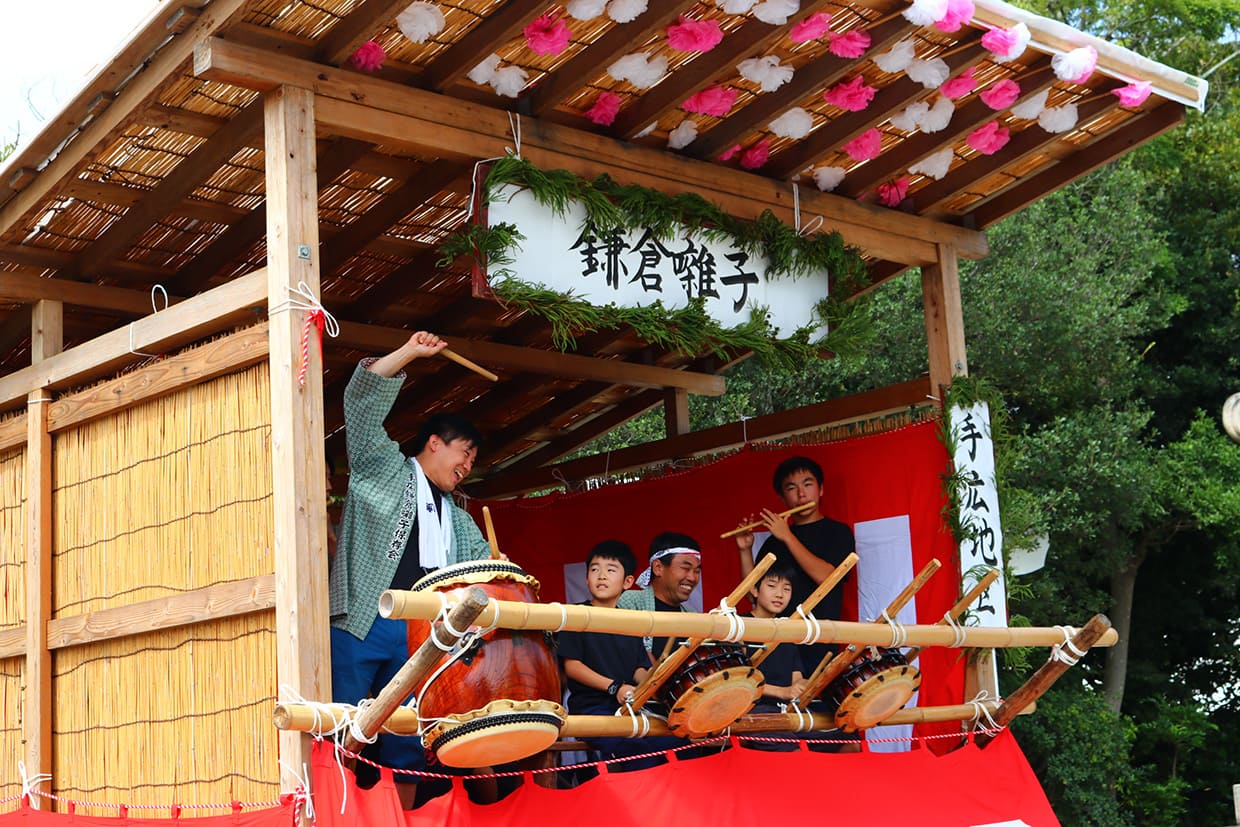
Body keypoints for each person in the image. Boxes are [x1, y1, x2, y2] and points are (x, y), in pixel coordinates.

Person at [328, 330, 492, 808]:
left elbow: (486, 570)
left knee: (404, 740)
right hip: (360, 621)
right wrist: (409, 354)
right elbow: (358, 405)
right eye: (465, 453)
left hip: (419, 636)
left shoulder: (458, 520)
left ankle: (397, 817)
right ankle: (340, 814)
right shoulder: (383, 468)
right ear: (435, 443)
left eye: (474, 461)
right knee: (342, 727)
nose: (468, 465)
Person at [558, 540, 684, 767]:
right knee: (634, 751)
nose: (602, 575)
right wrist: (614, 687)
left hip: (630, 707)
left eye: (611, 569)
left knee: (678, 743)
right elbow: (572, 667)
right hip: (592, 709)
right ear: (586, 578)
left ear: (628, 581)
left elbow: (638, 669)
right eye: (595, 569)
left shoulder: (630, 621)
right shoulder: (575, 614)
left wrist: (655, 684)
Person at [735, 456, 854, 675]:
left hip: (819, 642)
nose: (801, 494)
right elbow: (753, 593)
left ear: (820, 490)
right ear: (782, 497)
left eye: (808, 485)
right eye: (792, 488)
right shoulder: (774, 542)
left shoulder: (838, 532)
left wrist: (788, 536)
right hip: (779, 645)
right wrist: (745, 549)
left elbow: (828, 578)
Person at [617, 532, 702, 657]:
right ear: (658, 568)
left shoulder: (693, 618)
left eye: (697, 571)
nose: (692, 577)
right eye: (685, 568)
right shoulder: (631, 602)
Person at [744, 564, 807, 712]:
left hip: (784, 709)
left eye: (786, 589)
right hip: (751, 709)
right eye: (772, 586)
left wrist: (804, 685)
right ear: (755, 590)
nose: (780, 594)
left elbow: (796, 677)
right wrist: (783, 692)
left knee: (844, 735)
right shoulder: (738, 626)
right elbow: (734, 680)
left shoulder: (787, 629)